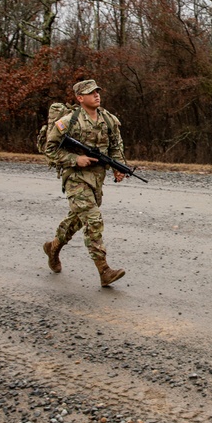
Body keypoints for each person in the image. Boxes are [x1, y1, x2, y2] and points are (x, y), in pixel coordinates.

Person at [42, 80, 129, 287]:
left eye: (97, 92)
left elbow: (116, 145)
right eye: (91, 93)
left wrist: (119, 166)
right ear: (80, 98)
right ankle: (104, 271)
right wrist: (75, 160)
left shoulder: (108, 120)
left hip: (96, 179)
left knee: (77, 220)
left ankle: (53, 247)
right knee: (93, 220)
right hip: (75, 178)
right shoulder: (68, 122)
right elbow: (50, 149)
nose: (96, 95)